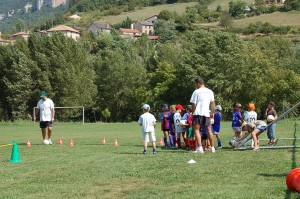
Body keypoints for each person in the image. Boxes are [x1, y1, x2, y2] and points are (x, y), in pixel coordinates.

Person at [190, 77, 216, 153]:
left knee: (196, 130)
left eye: (195, 84)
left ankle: (200, 148)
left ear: (198, 83)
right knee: (209, 130)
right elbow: (213, 103)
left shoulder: (196, 92)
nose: (195, 86)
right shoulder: (210, 91)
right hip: (206, 113)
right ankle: (212, 148)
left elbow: (194, 104)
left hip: (198, 113)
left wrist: (192, 112)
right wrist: (212, 112)